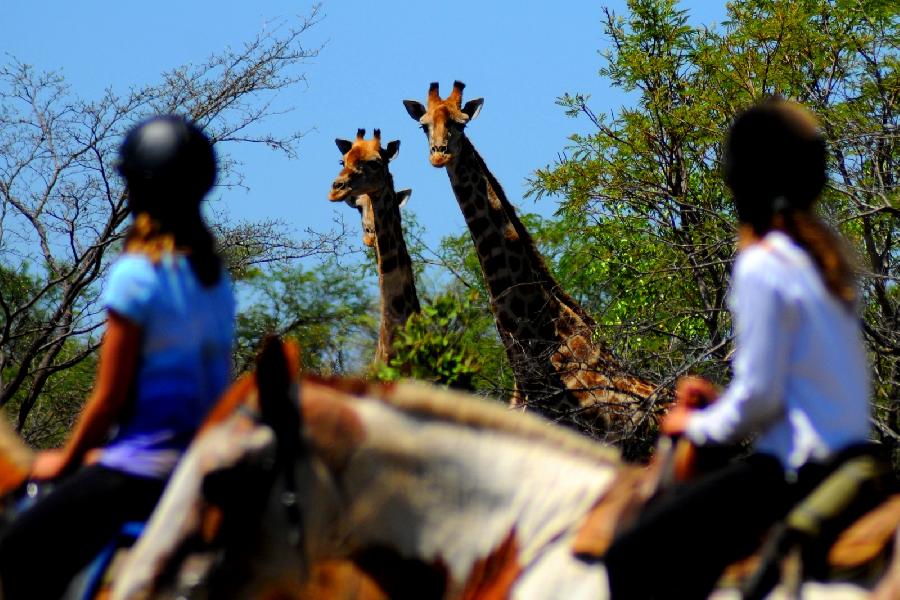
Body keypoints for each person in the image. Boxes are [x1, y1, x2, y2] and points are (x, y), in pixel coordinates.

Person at [603, 99, 871, 599]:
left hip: (795, 471)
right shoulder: (825, 265)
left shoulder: (761, 264)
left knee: (629, 556)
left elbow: (761, 399)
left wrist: (694, 424)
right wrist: (723, 404)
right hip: (856, 462)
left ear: (740, 184)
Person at [0, 115, 235, 599]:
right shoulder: (215, 280)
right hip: (199, 472)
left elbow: (109, 399)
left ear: (136, 187)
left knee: (15, 553)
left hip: (139, 472)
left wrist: (65, 462)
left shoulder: (135, 274)